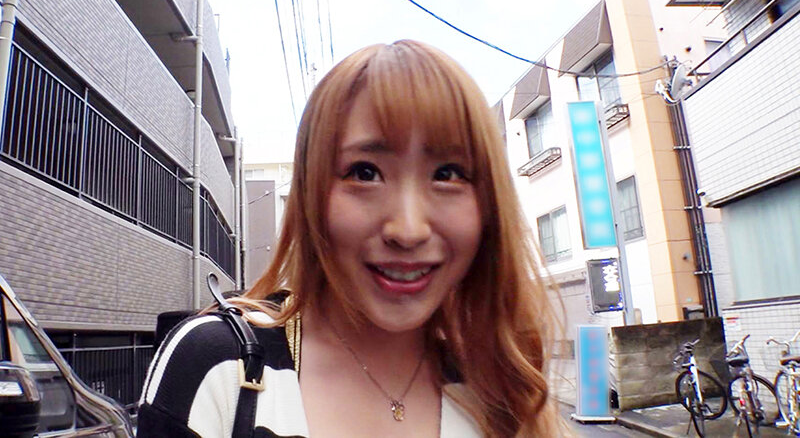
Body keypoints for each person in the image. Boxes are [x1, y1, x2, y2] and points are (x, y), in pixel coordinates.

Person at [137, 39, 563, 437]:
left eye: (447, 174)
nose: (408, 230)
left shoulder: (497, 386)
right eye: (364, 172)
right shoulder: (216, 367)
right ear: (311, 196)